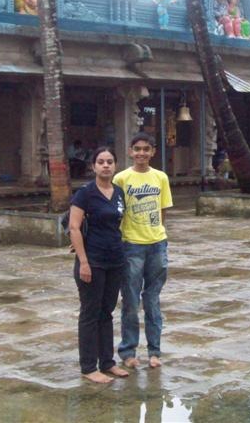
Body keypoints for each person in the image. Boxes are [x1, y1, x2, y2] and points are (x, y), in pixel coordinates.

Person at [68, 146, 130, 384]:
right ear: (93, 166)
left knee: (107, 312)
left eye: (110, 161)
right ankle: (88, 366)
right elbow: (74, 227)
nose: (106, 165)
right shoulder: (85, 193)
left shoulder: (119, 193)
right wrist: (83, 261)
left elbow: (118, 224)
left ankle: (107, 362)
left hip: (115, 260)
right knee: (90, 313)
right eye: (101, 162)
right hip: (92, 261)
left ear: (115, 166)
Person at [113, 132, 173, 369]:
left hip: (157, 244)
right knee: (130, 300)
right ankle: (128, 352)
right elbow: (115, 211)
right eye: (137, 149)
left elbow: (162, 211)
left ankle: (155, 351)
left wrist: (157, 233)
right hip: (131, 245)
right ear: (130, 151)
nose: (141, 153)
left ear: (153, 152)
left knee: (152, 299)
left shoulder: (161, 178)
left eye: (146, 149)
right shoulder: (121, 179)